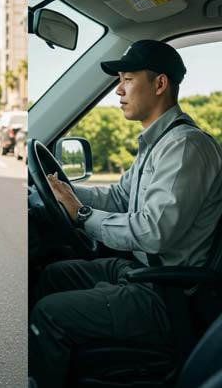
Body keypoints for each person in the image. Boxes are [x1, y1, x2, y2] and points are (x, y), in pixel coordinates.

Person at [29, 40, 222, 388]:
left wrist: (82, 214)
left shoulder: (185, 148)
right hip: (146, 273)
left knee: (48, 313)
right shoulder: (160, 143)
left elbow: (153, 232)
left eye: (127, 79)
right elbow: (120, 196)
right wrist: (65, 193)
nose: (118, 89)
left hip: (168, 295)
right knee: (54, 276)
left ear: (160, 84)